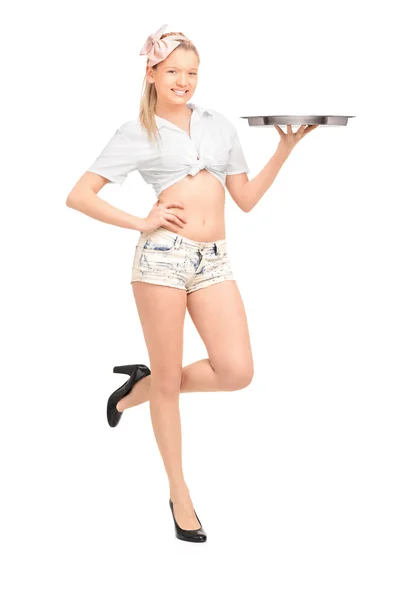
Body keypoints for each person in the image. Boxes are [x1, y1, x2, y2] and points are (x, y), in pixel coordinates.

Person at [66, 24, 318, 543]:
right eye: (173, 71)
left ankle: (139, 388)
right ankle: (180, 494)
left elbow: (244, 200)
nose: (184, 81)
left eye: (192, 73)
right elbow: (80, 195)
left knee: (237, 370)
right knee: (170, 385)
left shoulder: (218, 125)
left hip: (214, 261)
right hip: (160, 260)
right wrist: (141, 220)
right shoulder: (136, 131)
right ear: (152, 73)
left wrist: (285, 150)